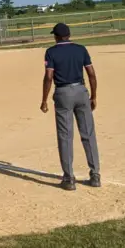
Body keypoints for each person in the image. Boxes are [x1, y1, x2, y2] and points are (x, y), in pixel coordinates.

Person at [40, 23, 100, 191]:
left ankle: (69, 178)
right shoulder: (81, 49)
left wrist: (44, 100)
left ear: (56, 36)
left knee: (65, 136)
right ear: (69, 34)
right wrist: (93, 96)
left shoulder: (51, 52)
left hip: (63, 93)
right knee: (88, 133)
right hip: (81, 91)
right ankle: (95, 175)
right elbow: (91, 74)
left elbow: (49, 76)